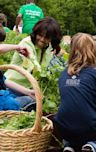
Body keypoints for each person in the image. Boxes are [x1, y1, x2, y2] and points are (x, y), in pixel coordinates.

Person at [52, 33, 96, 152]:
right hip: (88, 128)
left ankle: (69, 145)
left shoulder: (63, 74)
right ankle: (92, 144)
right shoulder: (94, 73)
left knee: (72, 120)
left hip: (63, 128)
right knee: (87, 121)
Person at [5, 17, 65, 88]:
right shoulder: (26, 43)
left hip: (30, 89)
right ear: (36, 32)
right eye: (40, 35)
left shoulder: (49, 48)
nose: (42, 39)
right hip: (12, 86)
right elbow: (35, 69)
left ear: (52, 38)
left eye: (46, 37)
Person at [0, 43, 36, 111]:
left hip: (3, 95)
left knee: (30, 98)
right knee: (28, 101)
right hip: (3, 102)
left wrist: (28, 92)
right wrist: (18, 47)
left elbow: (4, 81)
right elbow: (1, 48)